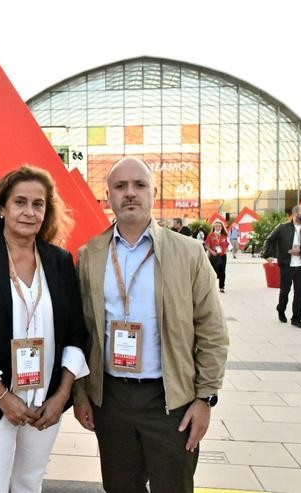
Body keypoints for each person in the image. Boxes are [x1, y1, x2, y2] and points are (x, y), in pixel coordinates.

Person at [72, 157, 229, 493]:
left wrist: (205, 398)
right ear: (108, 196)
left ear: (153, 193)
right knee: (119, 486)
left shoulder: (188, 253)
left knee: (173, 487)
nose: (130, 193)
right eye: (120, 186)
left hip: (171, 401)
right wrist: (81, 393)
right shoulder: (90, 255)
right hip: (111, 399)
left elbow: (212, 331)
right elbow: (82, 331)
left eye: (139, 185)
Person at [0, 165, 90, 492]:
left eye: (38, 204)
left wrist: (62, 394)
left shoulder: (59, 260)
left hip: (46, 402)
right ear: (2, 208)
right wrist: (1, 394)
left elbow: (76, 332)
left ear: (46, 211)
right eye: (20, 202)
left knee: (29, 483)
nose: (29, 211)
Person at [261, 205, 301, 329]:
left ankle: (297, 319)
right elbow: (269, 240)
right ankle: (281, 309)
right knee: (285, 291)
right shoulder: (282, 228)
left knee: (299, 293)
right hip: (286, 265)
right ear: (295, 213)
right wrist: (267, 255)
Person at [205, 220, 229, 293]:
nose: (217, 227)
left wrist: (226, 250)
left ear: (221, 227)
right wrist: (212, 252)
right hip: (214, 256)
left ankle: (222, 287)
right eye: (216, 226)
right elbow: (206, 246)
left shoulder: (224, 236)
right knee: (214, 271)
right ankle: (211, 286)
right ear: (214, 227)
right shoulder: (211, 236)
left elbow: (228, 244)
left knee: (223, 271)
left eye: (219, 226)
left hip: (223, 256)